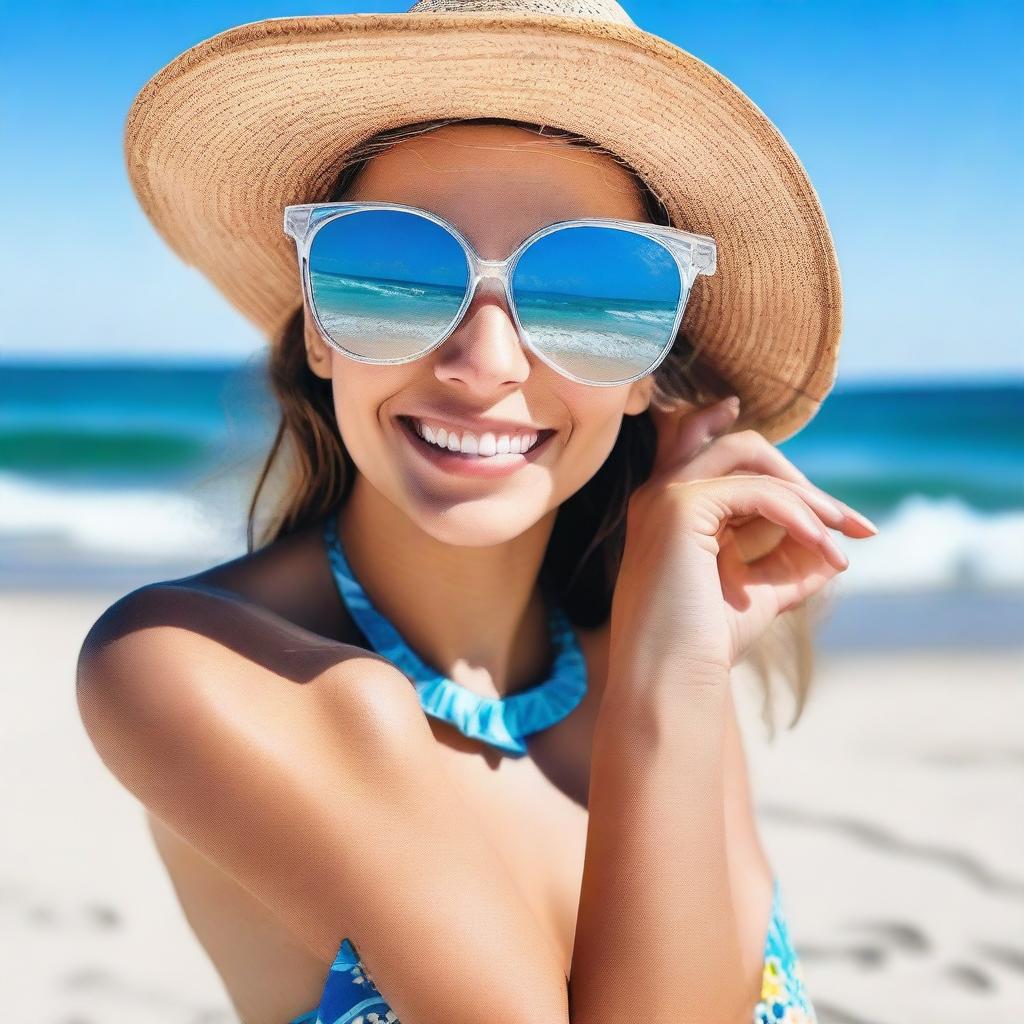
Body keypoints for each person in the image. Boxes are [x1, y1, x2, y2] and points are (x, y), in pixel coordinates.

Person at [77, 2, 878, 1022]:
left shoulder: (653, 652)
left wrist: (673, 652)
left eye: (587, 294)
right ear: (319, 331)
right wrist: (668, 676)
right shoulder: (193, 667)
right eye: (399, 275)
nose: (483, 364)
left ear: (646, 372)